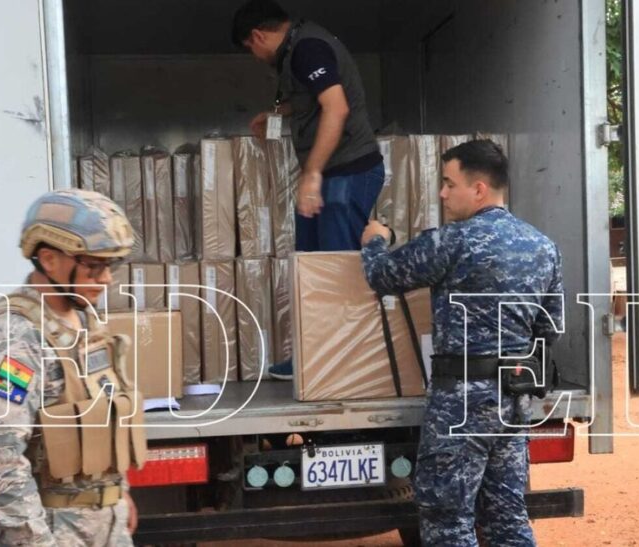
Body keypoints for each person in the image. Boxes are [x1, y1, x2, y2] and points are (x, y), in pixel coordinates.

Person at [361, 140, 563, 545]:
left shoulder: (452, 241)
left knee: (447, 518)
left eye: (449, 183)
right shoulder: (543, 247)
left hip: (461, 404)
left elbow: (383, 276)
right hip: (513, 399)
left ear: (479, 189)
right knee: (507, 516)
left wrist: (375, 241)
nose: (442, 193)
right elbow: (550, 328)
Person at [0, 189, 147, 546]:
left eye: (109, 266)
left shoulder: (85, 321)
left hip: (106, 524)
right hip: (52, 530)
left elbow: (104, 413)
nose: (106, 279)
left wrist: (116, 495)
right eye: (93, 266)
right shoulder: (15, 339)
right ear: (49, 259)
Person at [232, 0, 384, 379]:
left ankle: (344, 367)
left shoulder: (308, 48)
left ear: (257, 36)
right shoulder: (295, 50)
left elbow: (336, 107)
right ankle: (313, 357)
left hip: (347, 172)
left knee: (335, 270)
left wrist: (313, 172)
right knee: (311, 266)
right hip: (331, 175)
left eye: (250, 48)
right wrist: (277, 114)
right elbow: (311, 99)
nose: (255, 56)